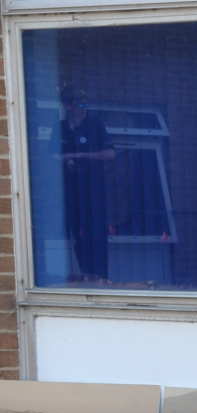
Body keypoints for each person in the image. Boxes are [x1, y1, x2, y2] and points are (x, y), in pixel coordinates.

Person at [59, 87, 115, 284]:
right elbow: (48, 156)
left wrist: (81, 155)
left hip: (94, 189)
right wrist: (65, 159)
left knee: (97, 232)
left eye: (84, 103)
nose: (81, 107)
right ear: (67, 105)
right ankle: (86, 274)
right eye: (77, 103)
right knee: (77, 234)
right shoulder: (61, 127)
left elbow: (110, 153)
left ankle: (101, 276)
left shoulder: (95, 124)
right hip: (71, 190)